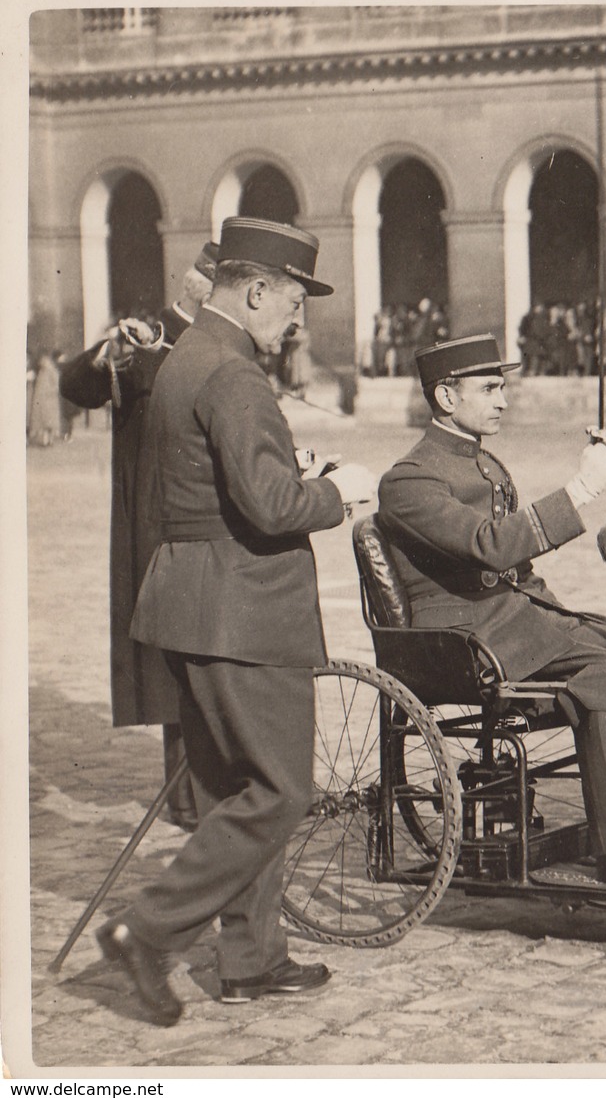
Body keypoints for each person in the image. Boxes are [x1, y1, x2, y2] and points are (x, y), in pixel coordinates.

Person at [96, 218, 377, 1027]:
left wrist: (292, 475)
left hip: (190, 603)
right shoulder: (237, 376)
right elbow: (272, 505)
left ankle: (251, 963)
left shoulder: (188, 358)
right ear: (255, 291)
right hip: (246, 613)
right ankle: (145, 931)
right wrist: (341, 490)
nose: (297, 321)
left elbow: (215, 484)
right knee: (283, 793)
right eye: (292, 302)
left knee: (234, 792)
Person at [376, 334, 606, 894]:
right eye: (488, 388)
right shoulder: (410, 479)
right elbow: (490, 546)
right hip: (467, 638)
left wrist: (564, 620)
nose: (503, 400)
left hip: (513, 621)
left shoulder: (484, 462)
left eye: (502, 386)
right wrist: (580, 489)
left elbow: (520, 569)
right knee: (605, 673)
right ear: (445, 396)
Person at [59, 240, 220, 831]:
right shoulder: (144, 338)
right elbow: (77, 386)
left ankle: (213, 794)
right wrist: (109, 354)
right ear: (195, 284)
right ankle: (188, 800)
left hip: (211, 515)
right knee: (176, 664)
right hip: (160, 523)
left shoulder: (226, 345)